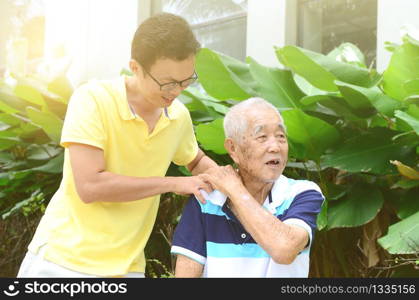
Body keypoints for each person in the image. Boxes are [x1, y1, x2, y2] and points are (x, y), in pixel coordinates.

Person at [17, 13, 217, 278]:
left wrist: (231, 183)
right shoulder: (93, 100)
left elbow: (195, 160)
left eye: (186, 80)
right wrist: (173, 183)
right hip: (62, 263)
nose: (177, 91)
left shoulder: (177, 116)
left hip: (127, 270)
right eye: (168, 82)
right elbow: (90, 186)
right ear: (135, 67)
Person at [170, 97, 325, 277]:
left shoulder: (302, 192)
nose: (275, 147)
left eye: (281, 137)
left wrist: (234, 190)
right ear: (233, 149)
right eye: (262, 137)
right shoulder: (206, 199)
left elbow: (284, 249)